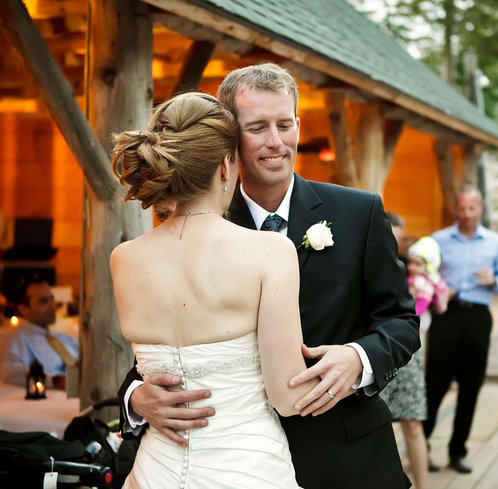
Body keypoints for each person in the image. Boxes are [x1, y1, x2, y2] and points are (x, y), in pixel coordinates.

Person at [117, 64, 420, 489]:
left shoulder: (360, 212)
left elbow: (401, 321)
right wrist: (135, 398)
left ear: (298, 124)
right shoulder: (181, 229)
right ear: (228, 139)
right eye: (257, 127)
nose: (276, 142)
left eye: (285, 124)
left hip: (347, 459)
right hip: (231, 463)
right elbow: (167, 347)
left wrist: (360, 358)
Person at [110, 91, 317, 488]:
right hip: (248, 468)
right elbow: (288, 397)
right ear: (226, 165)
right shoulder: (270, 251)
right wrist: (352, 361)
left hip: (158, 471)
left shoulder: (125, 258)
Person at [423, 185, 498, 474]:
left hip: (478, 317)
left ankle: (457, 451)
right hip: (445, 316)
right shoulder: (438, 240)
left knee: (471, 386)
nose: (466, 214)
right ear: (455, 209)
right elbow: (426, 273)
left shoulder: (495, 242)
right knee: (434, 384)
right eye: (461, 208)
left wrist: (493, 281)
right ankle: (421, 446)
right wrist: (438, 288)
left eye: (471, 208)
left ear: (480, 209)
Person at [381, 236, 448, 489]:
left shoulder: (422, 283)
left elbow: (419, 314)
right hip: (380, 346)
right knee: (378, 422)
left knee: (412, 420)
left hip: (410, 352)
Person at [0, 277, 78, 389]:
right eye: (44, 301)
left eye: (52, 299)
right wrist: (56, 380)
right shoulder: (19, 339)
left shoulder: (63, 338)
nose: (53, 305)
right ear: (23, 309)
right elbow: (9, 372)